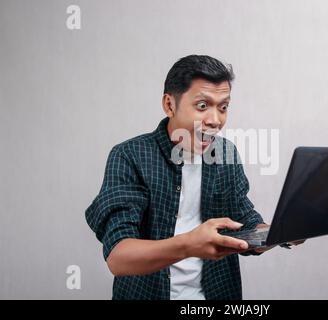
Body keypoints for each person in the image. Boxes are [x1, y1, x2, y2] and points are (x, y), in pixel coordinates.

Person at [85, 54, 301, 300]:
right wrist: (189, 244)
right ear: (169, 105)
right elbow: (118, 258)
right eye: (202, 106)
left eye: (223, 107)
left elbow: (244, 222)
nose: (215, 120)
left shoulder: (225, 152)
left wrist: (279, 232)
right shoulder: (130, 155)